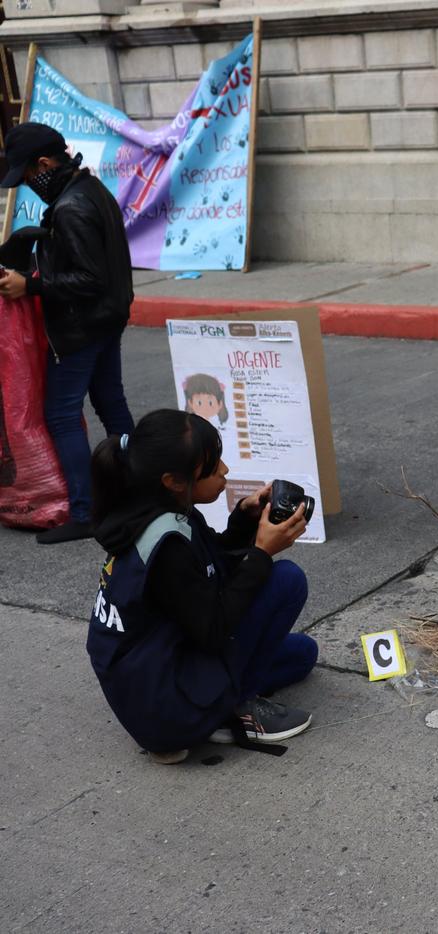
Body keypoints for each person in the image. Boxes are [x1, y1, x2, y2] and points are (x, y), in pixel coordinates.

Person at [86, 409, 318, 764]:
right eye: (211, 468)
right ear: (174, 481)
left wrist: (244, 520)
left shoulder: (153, 511)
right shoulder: (167, 545)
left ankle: (217, 705)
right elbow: (214, 629)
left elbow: (210, 566)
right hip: (169, 708)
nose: (224, 470)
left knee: (302, 654)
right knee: (287, 580)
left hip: (151, 681)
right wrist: (262, 553)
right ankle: (237, 711)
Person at [0, 122, 135, 545]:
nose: (27, 184)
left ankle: (83, 511)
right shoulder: (89, 189)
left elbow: (89, 278)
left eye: (27, 175)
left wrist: (30, 285)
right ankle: (139, 491)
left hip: (81, 327)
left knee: (61, 415)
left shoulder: (70, 207)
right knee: (111, 403)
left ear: (43, 164)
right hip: (108, 317)